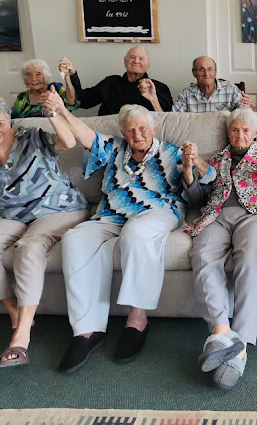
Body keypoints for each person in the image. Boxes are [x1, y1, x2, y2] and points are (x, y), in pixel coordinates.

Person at [45, 93, 213, 373]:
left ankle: (137, 318)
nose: (137, 134)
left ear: (154, 128)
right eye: (131, 130)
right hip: (110, 214)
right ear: (123, 132)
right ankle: (87, 330)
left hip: (157, 212)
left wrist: (193, 162)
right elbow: (86, 135)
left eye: (143, 128)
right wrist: (61, 109)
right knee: (75, 238)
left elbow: (206, 182)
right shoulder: (114, 148)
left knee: (137, 233)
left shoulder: (171, 152)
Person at [0, 93, 88, 367]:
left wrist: (54, 113)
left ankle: (21, 336)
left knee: (29, 247)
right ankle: (15, 313)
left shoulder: (32, 136)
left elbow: (67, 141)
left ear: (9, 120)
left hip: (56, 208)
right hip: (11, 215)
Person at [186, 108, 257, 389]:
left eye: (246, 130)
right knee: (201, 255)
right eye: (235, 130)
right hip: (216, 216)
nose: (240, 135)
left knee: (251, 258)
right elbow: (198, 198)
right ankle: (220, 332)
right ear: (228, 133)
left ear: (255, 133)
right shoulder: (217, 159)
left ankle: (240, 346)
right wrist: (191, 170)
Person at [59, 45, 173, 115]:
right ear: (125, 62)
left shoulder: (159, 87)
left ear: (148, 65)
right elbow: (79, 101)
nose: (136, 61)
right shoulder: (110, 83)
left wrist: (153, 99)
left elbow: (166, 121)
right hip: (108, 138)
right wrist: (70, 76)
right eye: (132, 57)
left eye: (141, 58)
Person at [172, 56, 257, 113]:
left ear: (215, 72)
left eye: (210, 69)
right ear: (194, 72)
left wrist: (249, 106)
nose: (206, 73)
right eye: (201, 69)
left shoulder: (231, 90)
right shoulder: (186, 94)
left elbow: (250, 117)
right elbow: (173, 118)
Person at [11, 59, 78, 118]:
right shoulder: (22, 97)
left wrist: (67, 78)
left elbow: (71, 102)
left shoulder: (56, 88)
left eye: (38, 74)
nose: (33, 79)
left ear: (46, 77)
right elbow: (12, 117)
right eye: (29, 75)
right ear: (25, 80)